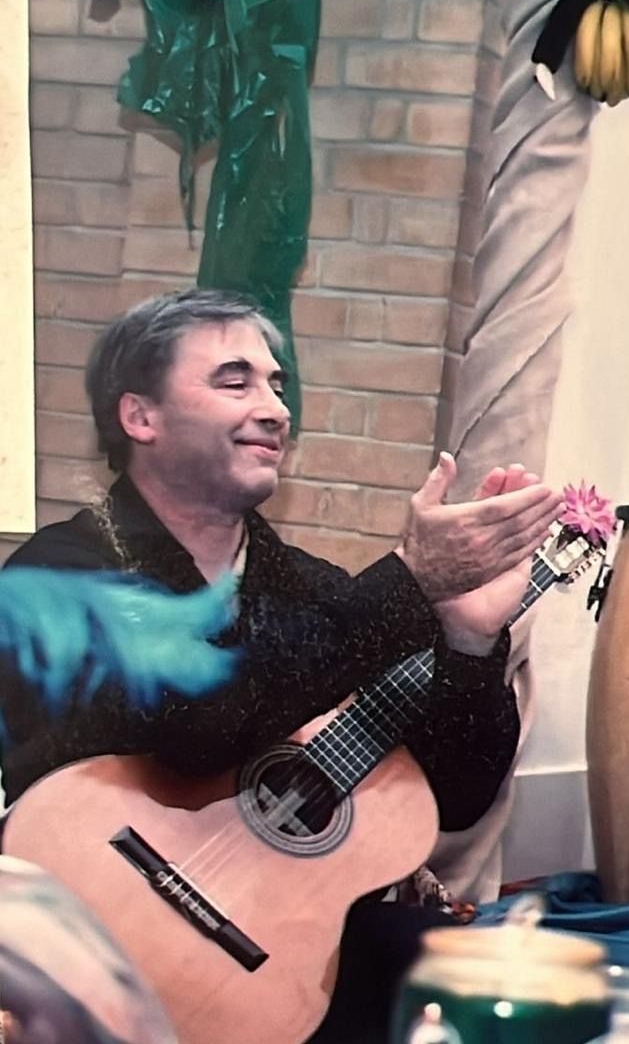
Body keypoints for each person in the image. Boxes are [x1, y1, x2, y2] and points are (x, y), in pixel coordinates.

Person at [0, 288, 563, 1043]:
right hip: (82, 942)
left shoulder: (311, 589)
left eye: (277, 384)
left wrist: (469, 640)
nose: (274, 409)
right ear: (141, 417)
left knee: (500, 986)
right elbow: (201, 727)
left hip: (266, 951)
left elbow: (457, 793)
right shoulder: (62, 575)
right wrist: (407, 578)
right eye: (234, 382)